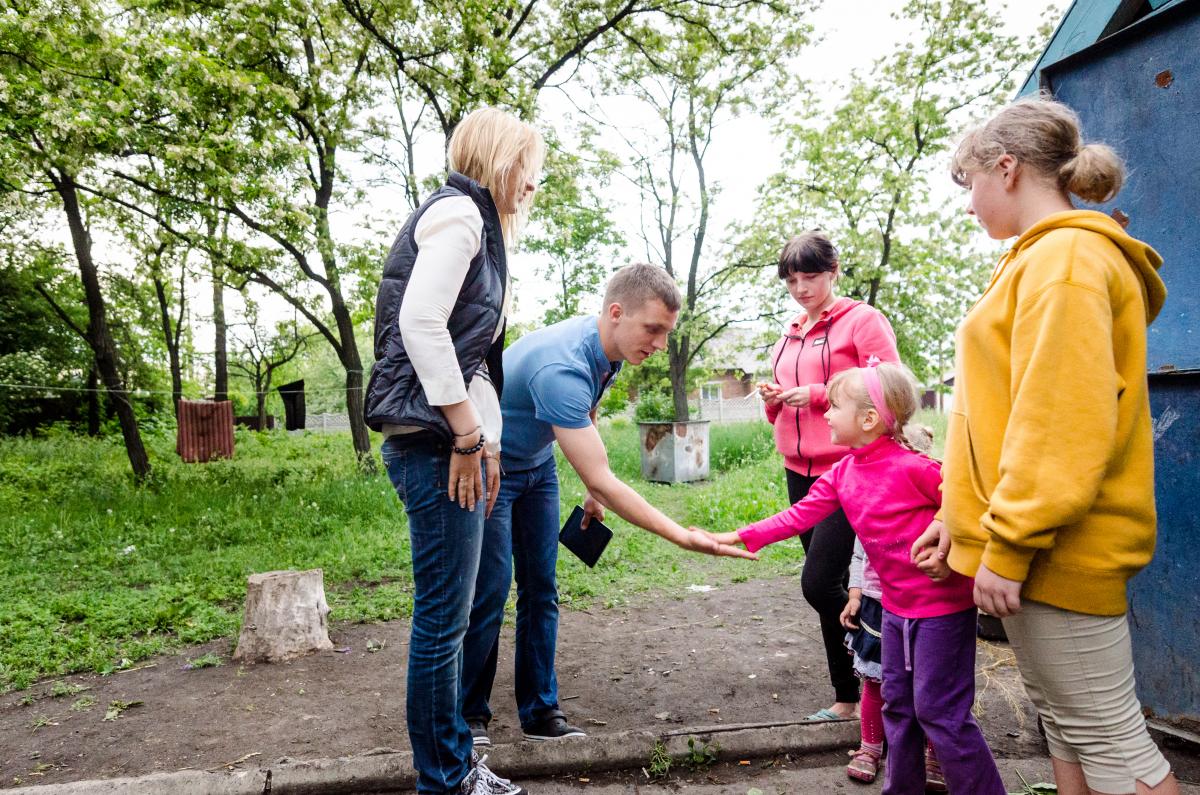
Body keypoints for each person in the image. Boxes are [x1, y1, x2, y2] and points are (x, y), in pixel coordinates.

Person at [912, 95, 1179, 795]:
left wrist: (1008, 542)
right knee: (1065, 725)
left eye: (969, 184)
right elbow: (997, 413)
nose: (968, 204)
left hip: (1058, 550)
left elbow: (1058, 421)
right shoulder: (1037, 259)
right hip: (1034, 545)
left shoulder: (1065, 261)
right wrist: (958, 516)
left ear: (1006, 168)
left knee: (1110, 739)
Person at [461, 263, 754, 747]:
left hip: (537, 467)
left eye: (666, 332)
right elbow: (602, 472)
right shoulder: (562, 368)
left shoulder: (610, 348)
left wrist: (592, 497)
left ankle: (539, 711)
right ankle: (469, 714)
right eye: (653, 329)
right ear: (616, 313)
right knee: (490, 590)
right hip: (492, 468)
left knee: (541, 588)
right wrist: (682, 535)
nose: (661, 344)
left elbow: (589, 414)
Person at [713, 363, 1006, 795]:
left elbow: (967, 504)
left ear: (869, 419)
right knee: (900, 710)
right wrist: (739, 536)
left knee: (940, 714)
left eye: (834, 406)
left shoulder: (916, 468)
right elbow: (799, 515)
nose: (826, 415)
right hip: (893, 610)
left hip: (942, 611)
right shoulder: (844, 473)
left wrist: (956, 550)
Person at [364, 106, 545, 795]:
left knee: (457, 611)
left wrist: (487, 438)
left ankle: (453, 767)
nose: (533, 183)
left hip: (451, 442)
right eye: (528, 168)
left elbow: (468, 356)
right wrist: (468, 436)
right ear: (501, 160)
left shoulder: (478, 227)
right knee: (443, 620)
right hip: (435, 447)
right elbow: (420, 323)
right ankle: (444, 779)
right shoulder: (461, 217)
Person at [756, 231, 899, 721]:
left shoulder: (862, 321)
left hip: (849, 470)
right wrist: (774, 402)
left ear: (834, 270)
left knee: (819, 584)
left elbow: (889, 391)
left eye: (811, 276)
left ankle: (890, 664)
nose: (801, 287)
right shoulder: (791, 330)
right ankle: (848, 696)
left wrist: (817, 395)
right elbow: (787, 406)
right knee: (831, 583)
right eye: (792, 279)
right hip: (799, 468)